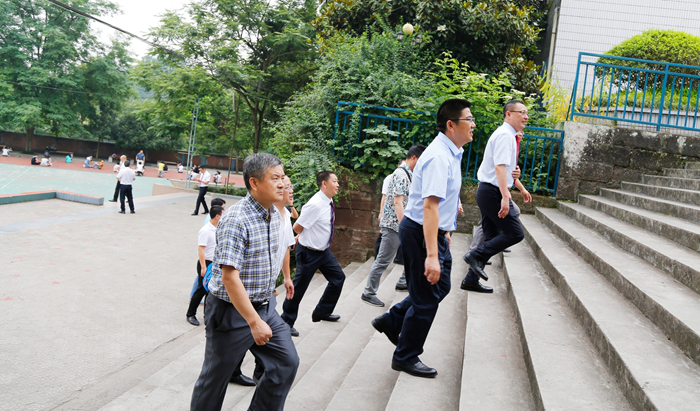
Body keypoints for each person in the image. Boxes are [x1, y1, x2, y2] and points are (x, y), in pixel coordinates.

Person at [371, 98, 475, 378]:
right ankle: (405, 355)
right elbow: (429, 206)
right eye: (469, 120)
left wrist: (446, 230)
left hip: (433, 231)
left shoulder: (452, 151)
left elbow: (442, 201)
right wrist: (431, 254)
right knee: (427, 297)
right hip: (420, 232)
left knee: (438, 288)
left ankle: (392, 320)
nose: (474, 125)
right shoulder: (440, 156)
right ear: (451, 125)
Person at [190, 153, 299, 411]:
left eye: (283, 177)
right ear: (254, 183)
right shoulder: (236, 219)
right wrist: (253, 322)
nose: (282, 183)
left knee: (286, 362)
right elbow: (229, 277)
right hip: (231, 312)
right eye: (275, 178)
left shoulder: (275, 213)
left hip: (265, 306)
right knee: (214, 380)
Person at [462, 100, 531, 292]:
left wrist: (517, 184)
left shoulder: (510, 135)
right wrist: (505, 196)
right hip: (492, 192)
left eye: (527, 113)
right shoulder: (504, 135)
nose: (525, 116)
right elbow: (499, 167)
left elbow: (506, 168)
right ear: (508, 114)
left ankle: (470, 280)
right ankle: (475, 256)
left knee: (491, 235)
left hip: (489, 191)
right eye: (521, 112)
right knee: (515, 233)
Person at [281, 171, 346, 337]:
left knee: (338, 278)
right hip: (309, 253)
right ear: (324, 184)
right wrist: (295, 238)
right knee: (299, 288)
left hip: (323, 252)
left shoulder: (328, 201)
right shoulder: (315, 204)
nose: (338, 184)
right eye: (335, 181)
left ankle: (322, 312)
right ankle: (286, 322)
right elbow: (297, 226)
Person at [361, 145, 426, 307]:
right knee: (383, 260)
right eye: (421, 161)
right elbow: (398, 203)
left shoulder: (409, 174)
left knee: (413, 254)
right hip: (394, 225)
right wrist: (405, 226)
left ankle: (404, 282)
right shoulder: (401, 175)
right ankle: (368, 292)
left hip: (401, 225)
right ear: (414, 158)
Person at [187, 206, 224, 326]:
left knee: (210, 291)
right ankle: (190, 314)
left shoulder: (218, 228)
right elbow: (201, 249)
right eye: (223, 214)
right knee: (201, 290)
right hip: (206, 264)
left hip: (215, 263)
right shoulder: (205, 230)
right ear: (217, 216)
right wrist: (203, 267)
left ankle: (207, 315)